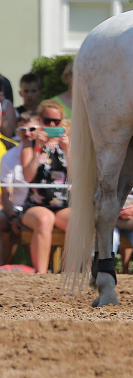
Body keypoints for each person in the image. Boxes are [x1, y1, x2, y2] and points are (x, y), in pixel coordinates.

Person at [19, 100, 70, 273]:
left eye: (57, 121)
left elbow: (78, 175)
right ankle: (41, 275)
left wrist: (68, 149)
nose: (52, 125)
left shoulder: (69, 145)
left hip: (63, 204)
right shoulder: (30, 145)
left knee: (79, 221)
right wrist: (38, 149)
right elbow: (28, 176)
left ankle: (73, 272)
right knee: (44, 220)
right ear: (40, 120)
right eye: (48, 121)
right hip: (36, 204)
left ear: (62, 121)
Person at [0, 112, 37, 264]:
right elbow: (6, 194)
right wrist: (13, 217)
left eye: (32, 129)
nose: (27, 134)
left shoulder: (51, 153)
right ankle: (3, 267)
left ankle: (41, 270)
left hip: (40, 208)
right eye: (22, 130)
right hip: (15, 209)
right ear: (17, 131)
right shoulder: (9, 156)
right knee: (2, 220)